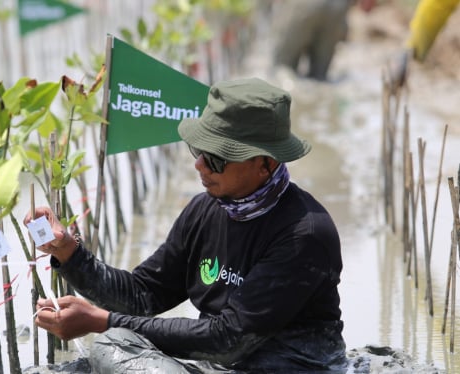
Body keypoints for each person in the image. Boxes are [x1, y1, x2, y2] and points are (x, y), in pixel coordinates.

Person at [24, 77, 347, 373]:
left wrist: (102, 321)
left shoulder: (303, 234)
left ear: (265, 163)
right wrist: (69, 251)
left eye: (217, 157)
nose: (199, 165)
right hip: (224, 364)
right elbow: (143, 294)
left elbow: (228, 339)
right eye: (199, 150)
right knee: (116, 342)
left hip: (290, 366)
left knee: (112, 336)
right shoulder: (205, 209)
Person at [271, 0, 375, 81]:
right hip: (338, 7)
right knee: (320, 77)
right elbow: (367, 6)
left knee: (282, 69)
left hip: (304, 4)